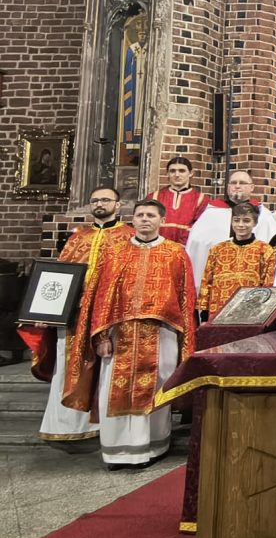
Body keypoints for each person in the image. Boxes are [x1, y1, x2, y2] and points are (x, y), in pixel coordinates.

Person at [65, 199, 196, 469]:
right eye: (140, 215)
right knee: (113, 388)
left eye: (151, 215)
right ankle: (117, 452)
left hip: (162, 332)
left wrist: (184, 338)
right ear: (132, 220)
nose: (145, 219)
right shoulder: (115, 252)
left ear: (161, 220)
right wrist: (101, 337)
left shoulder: (176, 253)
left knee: (159, 386)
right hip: (119, 333)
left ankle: (154, 446)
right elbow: (99, 297)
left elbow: (185, 297)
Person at [28, 188, 133, 445]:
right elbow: (59, 276)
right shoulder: (78, 238)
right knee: (68, 365)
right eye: (95, 200)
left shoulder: (128, 237)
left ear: (118, 205)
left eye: (105, 200)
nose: (99, 204)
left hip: (109, 314)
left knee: (106, 366)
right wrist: (46, 311)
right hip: (74, 314)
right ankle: (66, 425)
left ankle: (103, 423)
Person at [185, 170, 272, 288]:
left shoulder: (263, 215)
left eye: (242, 183)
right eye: (233, 183)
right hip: (217, 281)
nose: (237, 186)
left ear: (252, 187)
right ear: (228, 187)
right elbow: (197, 246)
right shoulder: (211, 213)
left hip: (249, 279)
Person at [198, 202, 276, 321]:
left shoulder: (265, 250)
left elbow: (267, 285)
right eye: (236, 220)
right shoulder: (217, 249)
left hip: (249, 313)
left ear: (255, 223)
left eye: (246, 221)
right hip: (218, 311)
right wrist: (204, 314)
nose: (240, 225)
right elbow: (206, 281)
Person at [145, 157, 210, 245]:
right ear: (167, 174)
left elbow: (199, 227)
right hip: (157, 246)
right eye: (172, 171)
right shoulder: (154, 197)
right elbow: (146, 223)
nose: (177, 175)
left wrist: (178, 247)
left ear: (190, 173)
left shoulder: (201, 199)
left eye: (182, 171)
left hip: (186, 247)